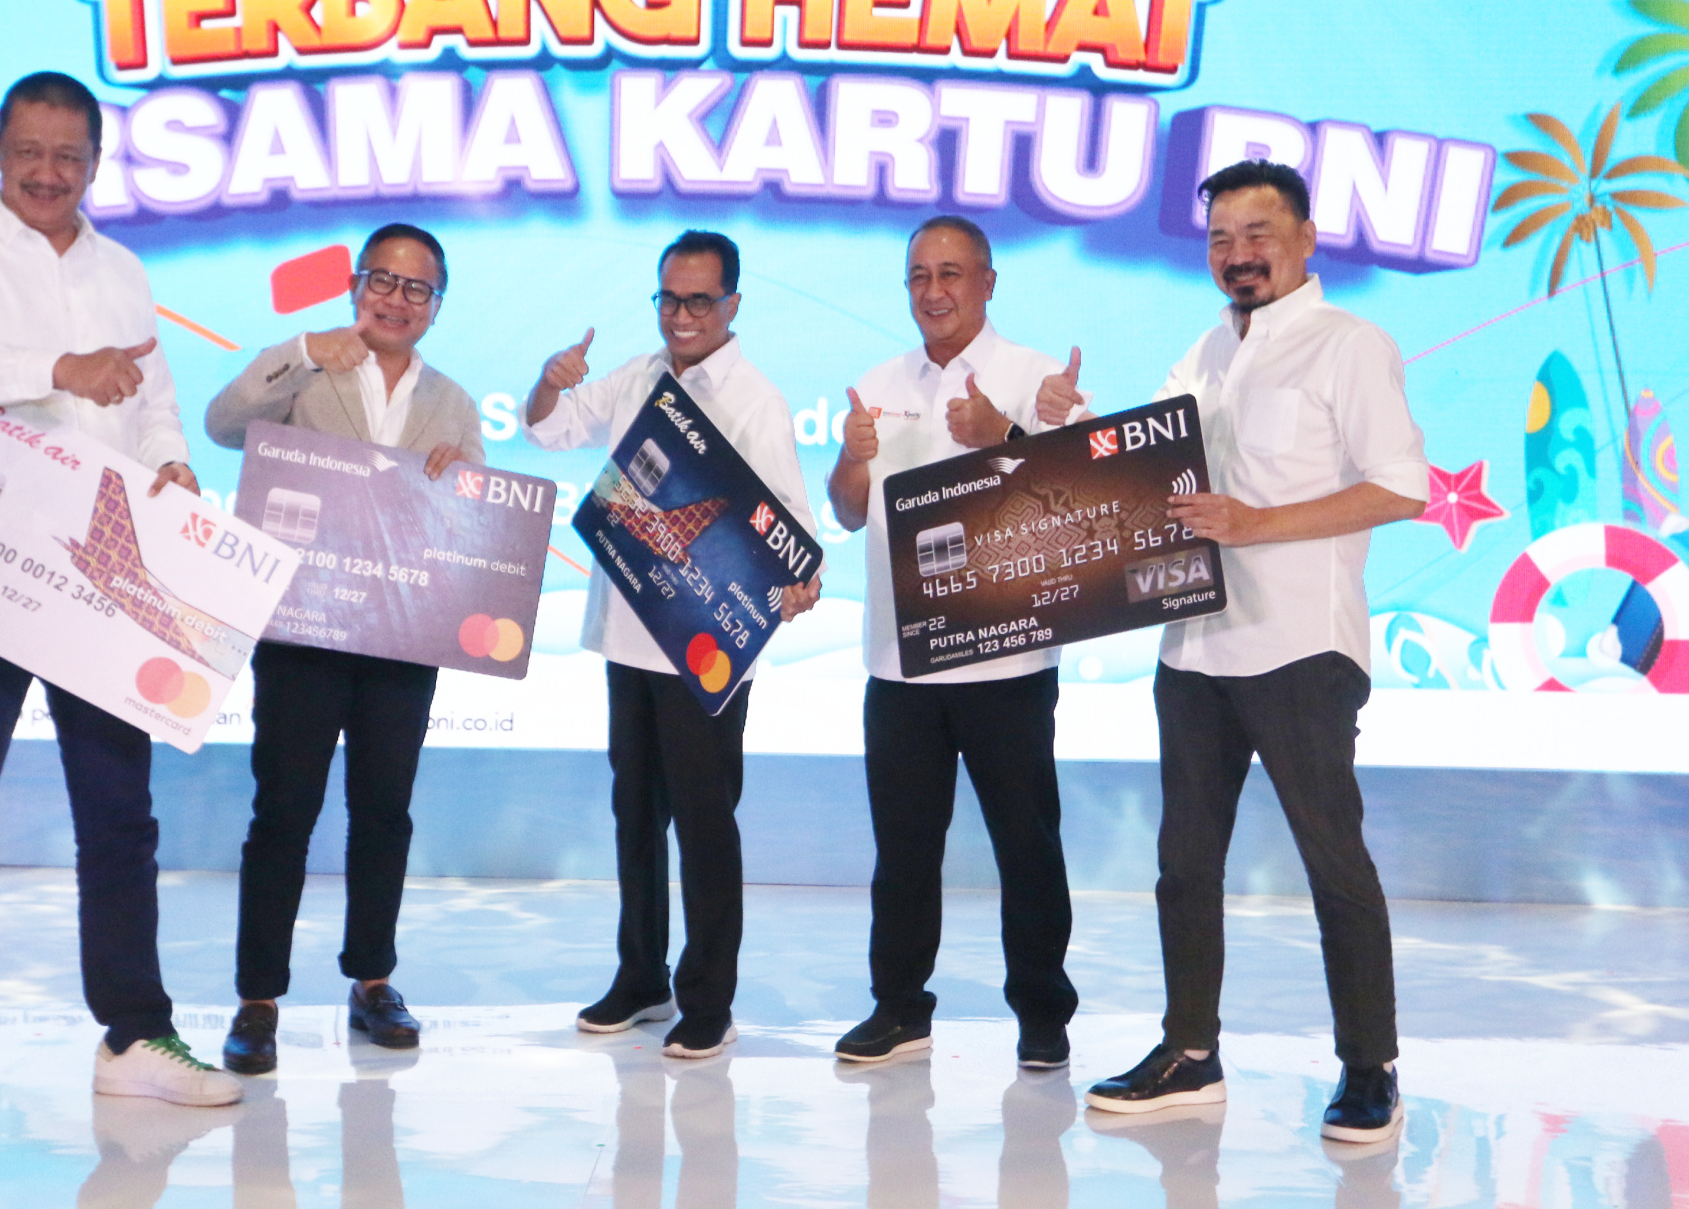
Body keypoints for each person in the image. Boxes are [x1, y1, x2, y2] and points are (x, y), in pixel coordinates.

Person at [1042, 159, 1427, 1142]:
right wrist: (1067, 424)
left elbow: (1399, 486)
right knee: (1183, 864)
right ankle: (1189, 1051)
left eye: (1257, 233)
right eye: (1220, 238)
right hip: (1194, 648)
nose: (1237, 253)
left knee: (1331, 858)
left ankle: (1369, 1066)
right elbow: (1146, 457)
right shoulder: (1208, 351)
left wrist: (1257, 524)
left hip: (1301, 647)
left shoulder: (1350, 346)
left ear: (1304, 239)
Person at [0, 71, 238, 1130]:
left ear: (95, 161)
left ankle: (134, 1034)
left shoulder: (123, 269)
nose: (48, 173)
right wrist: (60, 368)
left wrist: (171, 461)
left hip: (104, 574)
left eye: (69, 156)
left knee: (119, 817)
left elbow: (154, 394)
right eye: (29, 152)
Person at [523, 230, 818, 1059]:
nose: (681, 316)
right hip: (629, 634)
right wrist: (549, 382)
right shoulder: (637, 376)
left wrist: (798, 580)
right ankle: (641, 977)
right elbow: (550, 430)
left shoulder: (757, 400)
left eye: (698, 301)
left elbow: (791, 527)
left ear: (732, 304)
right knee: (636, 815)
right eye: (668, 299)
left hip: (704, 651)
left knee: (704, 823)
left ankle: (709, 998)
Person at [203, 223, 484, 1067]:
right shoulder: (310, 368)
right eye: (383, 281)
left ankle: (372, 980)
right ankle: (258, 998)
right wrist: (297, 351)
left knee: (384, 813)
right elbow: (222, 424)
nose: (397, 299)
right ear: (357, 285)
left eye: (417, 288)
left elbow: (475, 517)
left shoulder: (453, 401)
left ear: (436, 307)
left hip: (402, 634)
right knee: (283, 813)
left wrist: (464, 483)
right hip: (305, 628)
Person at [825, 216, 1083, 1068]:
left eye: (951, 273)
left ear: (988, 282)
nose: (933, 291)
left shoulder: (1041, 379)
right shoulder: (877, 381)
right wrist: (852, 460)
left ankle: (1042, 1014)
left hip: (1008, 659)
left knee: (1026, 845)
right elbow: (847, 511)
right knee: (903, 850)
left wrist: (1004, 436)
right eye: (918, 276)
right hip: (900, 663)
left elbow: (1085, 506)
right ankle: (899, 1008)